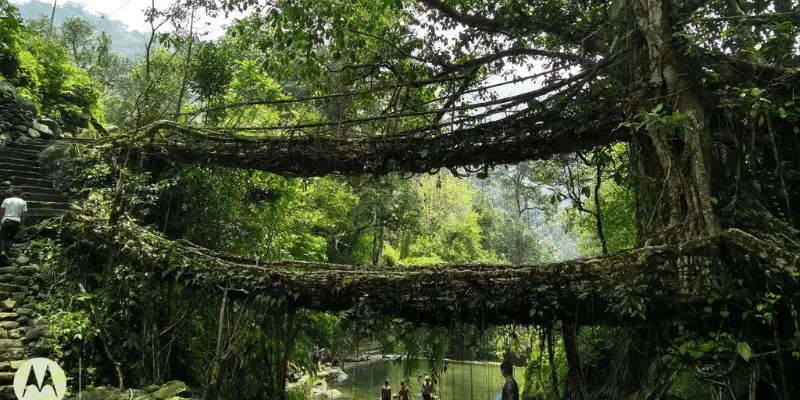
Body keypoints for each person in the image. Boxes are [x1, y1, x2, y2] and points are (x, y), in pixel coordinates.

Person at [0, 190, 26, 258]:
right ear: (20, 195)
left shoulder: (6, 200)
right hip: (16, 221)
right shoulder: (23, 202)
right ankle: (6, 251)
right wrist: (22, 225)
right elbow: (23, 215)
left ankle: (2, 251)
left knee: (2, 236)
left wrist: (1, 219)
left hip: (6, 220)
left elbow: (2, 210)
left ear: (13, 194)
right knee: (11, 237)